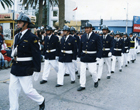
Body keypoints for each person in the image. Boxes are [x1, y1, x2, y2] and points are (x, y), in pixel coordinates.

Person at [9, 13, 45, 110]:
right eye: (18, 22)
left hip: (26, 67)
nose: (18, 24)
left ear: (25, 24)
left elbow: (36, 54)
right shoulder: (17, 36)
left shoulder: (32, 37)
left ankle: (41, 100)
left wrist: (37, 70)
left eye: (20, 22)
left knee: (28, 90)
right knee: (12, 90)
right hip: (15, 66)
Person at [77, 22, 102, 91]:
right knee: (82, 71)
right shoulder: (83, 36)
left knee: (92, 71)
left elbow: (99, 48)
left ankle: (95, 80)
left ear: (91, 29)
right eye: (85, 28)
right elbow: (80, 46)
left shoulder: (97, 37)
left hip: (92, 57)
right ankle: (82, 85)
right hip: (84, 56)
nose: (86, 29)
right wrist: (79, 55)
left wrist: (98, 57)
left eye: (87, 28)